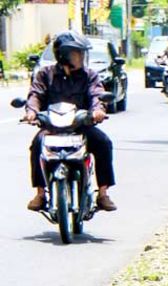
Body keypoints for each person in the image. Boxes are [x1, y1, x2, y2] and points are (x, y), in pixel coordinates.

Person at [24, 30, 116, 212]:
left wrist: (98, 110)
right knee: (37, 145)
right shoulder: (45, 74)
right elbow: (35, 94)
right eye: (77, 53)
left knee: (104, 143)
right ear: (63, 54)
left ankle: (103, 193)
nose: (81, 56)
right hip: (52, 128)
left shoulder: (89, 75)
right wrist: (32, 112)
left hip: (81, 127)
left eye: (82, 53)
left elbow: (97, 94)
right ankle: (40, 193)